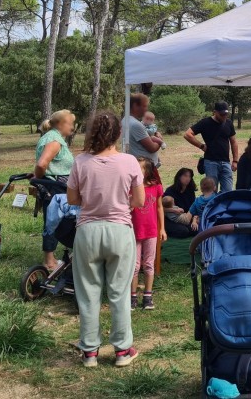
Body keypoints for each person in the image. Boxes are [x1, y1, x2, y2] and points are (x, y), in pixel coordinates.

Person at [67, 112, 142, 368]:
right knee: (119, 292)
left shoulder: (80, 162)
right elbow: (139, 200)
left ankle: (89, 351)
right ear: (118, 133)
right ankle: (122, 350)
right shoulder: (130, 161)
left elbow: (72, 199)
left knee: (88, 292)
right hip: (119, 230)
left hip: (88, 231)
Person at [35, 109, 76, 271]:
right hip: (55, 186)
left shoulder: (52, 137)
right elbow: (42, 164)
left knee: (53, 219)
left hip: (56, 184)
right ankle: (49, 261)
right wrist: (39, 178)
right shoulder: (54, 140)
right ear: (61, 124)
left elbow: (48, 164)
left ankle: (51, 257)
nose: (72, 127)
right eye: (71, 123)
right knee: (54, 220)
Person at [131, 158, 166, 311]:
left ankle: (147, 296)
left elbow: (159, 207)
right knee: (134, 265)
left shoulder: (156, 187)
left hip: (151, 231)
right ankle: (132, 296)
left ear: (147, 171)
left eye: (139, 168)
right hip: (134, 231)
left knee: (149, 264)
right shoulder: (131, 187)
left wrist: (162, 228)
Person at [184, 102, 238, 193]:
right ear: (215, 112)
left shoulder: (229, 123)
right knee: (212, 192)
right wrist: (201, 146)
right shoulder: (205, 122)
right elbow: (187, 134)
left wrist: (235, 160)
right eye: (221, 114)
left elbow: (233, 142)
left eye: (226, 114)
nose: (224, 117)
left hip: (226, 162)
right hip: (210, 162)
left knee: (228, 192)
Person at [126, 93, 162, 167]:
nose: (146, 109)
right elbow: (152, 148)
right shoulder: (136, 125)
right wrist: (160, 139)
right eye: (144, 106)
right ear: (135, 106)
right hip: (145, 167)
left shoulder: (126, 120)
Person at [162, 168, 198, 239]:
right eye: (185, 176)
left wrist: (194, 221)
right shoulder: (170, 191)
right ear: (179, 177)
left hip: (185, 217)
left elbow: (194, 207)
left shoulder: (190, 191)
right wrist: (174, 210)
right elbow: (161, 208)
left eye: (189, 176)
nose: (187, 178)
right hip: (171, 219)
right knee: (183, 231)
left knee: (194, 230)